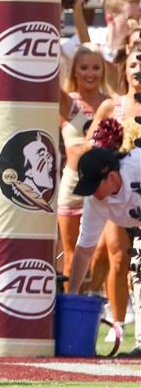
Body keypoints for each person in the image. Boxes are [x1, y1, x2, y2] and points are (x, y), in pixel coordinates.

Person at [65, 146, 141, 358]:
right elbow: (84, 251)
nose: (91, 193)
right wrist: (72, 293)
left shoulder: (138, 165)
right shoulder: (94, 202)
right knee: (139, 273)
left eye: (93, 185)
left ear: (111, 177)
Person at [58, 45, 111, 287]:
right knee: (71, 255)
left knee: (103, 251)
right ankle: (73, 311)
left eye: (95, 67)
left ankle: (94, 296)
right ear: (75, 72)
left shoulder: (110, 105)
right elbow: (87, 131)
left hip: (104, 186)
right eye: (84, 67)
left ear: (102, 72)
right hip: (72, 184)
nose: (90, 73)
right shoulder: (68, 103)